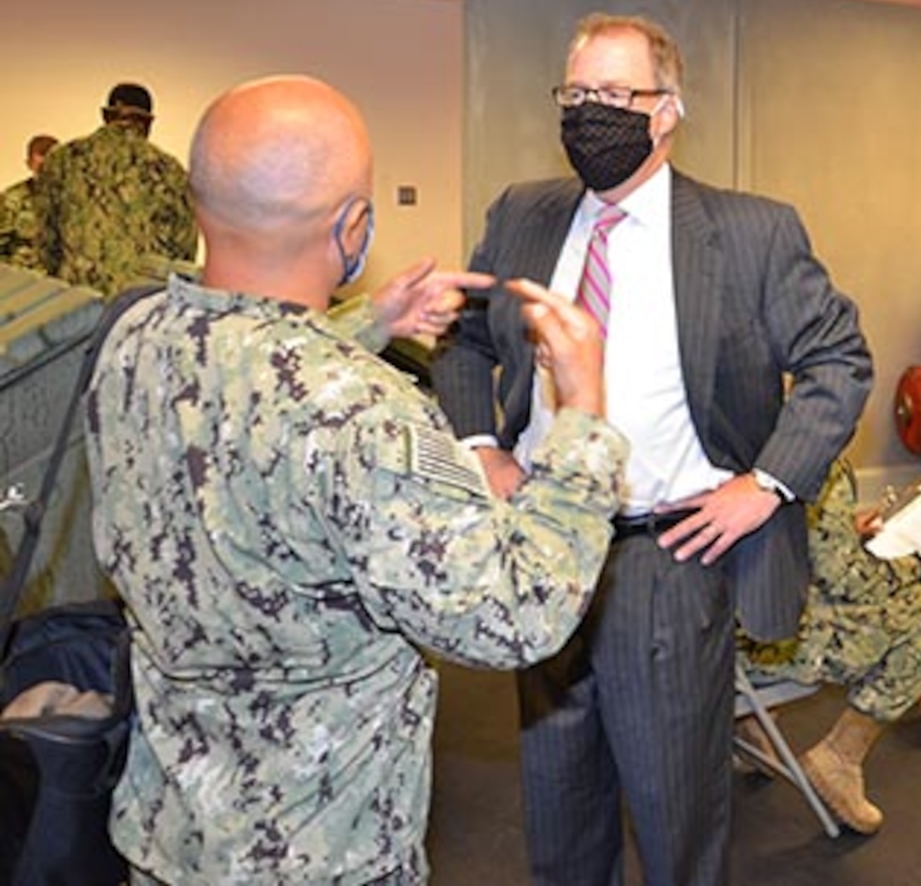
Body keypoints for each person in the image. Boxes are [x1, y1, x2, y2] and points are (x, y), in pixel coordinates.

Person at [87, 74, 631, 886]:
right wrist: (583, 413)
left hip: (170, 836)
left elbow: (247, 384)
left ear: (200, 205)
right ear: (355, 226)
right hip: (320, 854)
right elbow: (513, 614)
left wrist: (369, 322)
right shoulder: (367, 416)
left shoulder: (133, 338)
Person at [432, 13, 873, 886]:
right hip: (544, 547)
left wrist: (768, 484)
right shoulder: (525, 213)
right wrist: (483, 445)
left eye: (615, 95)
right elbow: (462, 337)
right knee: (558, 805)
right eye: (577, 93)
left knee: (675, 814)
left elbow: (838, 361)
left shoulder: (751, 233)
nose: (590, 113)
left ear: (666, 111)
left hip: (665, 559)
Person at [739, 460, 921, 834]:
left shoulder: (734, 430)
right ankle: (840, 756)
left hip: (710, 626)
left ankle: (748, 721)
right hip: (761, 641)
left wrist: (841, 531)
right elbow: (850, 582)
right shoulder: (815, 454)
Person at [36, 82, 197, 293]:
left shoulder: (62, 160)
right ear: (148, 122)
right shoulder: (169, 170)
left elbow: (46, 241)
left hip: (78, 299)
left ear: (105, 116)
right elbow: (184, 251)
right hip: (139, 305)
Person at [0, 134, 57, 270]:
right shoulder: (11, 200)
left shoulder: (75, 197)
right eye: (40, 167)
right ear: (29, 164)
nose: (46, 173)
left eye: (51, 166)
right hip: (26, 279)